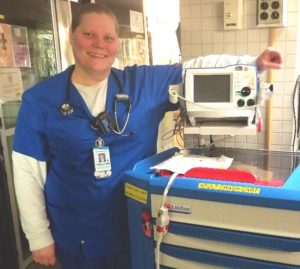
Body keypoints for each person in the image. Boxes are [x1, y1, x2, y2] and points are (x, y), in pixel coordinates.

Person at [12, 3, 283, 269]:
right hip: (77, 232)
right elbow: (27, 174)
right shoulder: (41, 100)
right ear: (72, 36)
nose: (99, 44)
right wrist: (38, 237)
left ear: (117, 43)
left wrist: (252, 63)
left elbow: (194, 69)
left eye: (108, 37)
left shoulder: (142, 83)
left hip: (135, 221)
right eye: (89, 35)